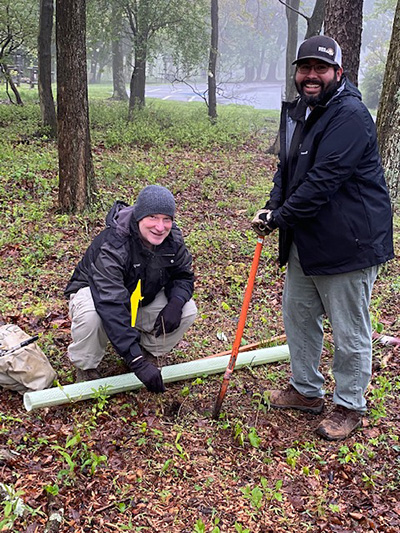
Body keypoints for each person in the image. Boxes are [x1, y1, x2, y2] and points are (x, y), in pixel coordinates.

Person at [251, 35, 394, 441]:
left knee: (349, 330)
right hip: (307, 238)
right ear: (297, 73)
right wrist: (272, 204)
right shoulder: (302, 110)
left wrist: (278, 217)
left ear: (338, 73)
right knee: (298, 316)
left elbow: (320, 183)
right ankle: (306, 390)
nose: (311, 76)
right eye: (305, 68)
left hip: (349, 242)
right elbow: (287, 169)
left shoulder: (349, 116)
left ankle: (349, 404)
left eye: (321, 69)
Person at [65, 185, 197, 393]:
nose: (160, 227)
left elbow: (183, 276)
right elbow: (110, 303)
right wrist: (136, 362)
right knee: (92, 316)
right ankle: (87, 367)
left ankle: (147, 351)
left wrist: (176, 302)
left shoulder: (173, 240)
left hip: (139, 298)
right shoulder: (114, 243)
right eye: (152, 217)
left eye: (166, 219)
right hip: (96, 296)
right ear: (138, 216)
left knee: (188, 309)